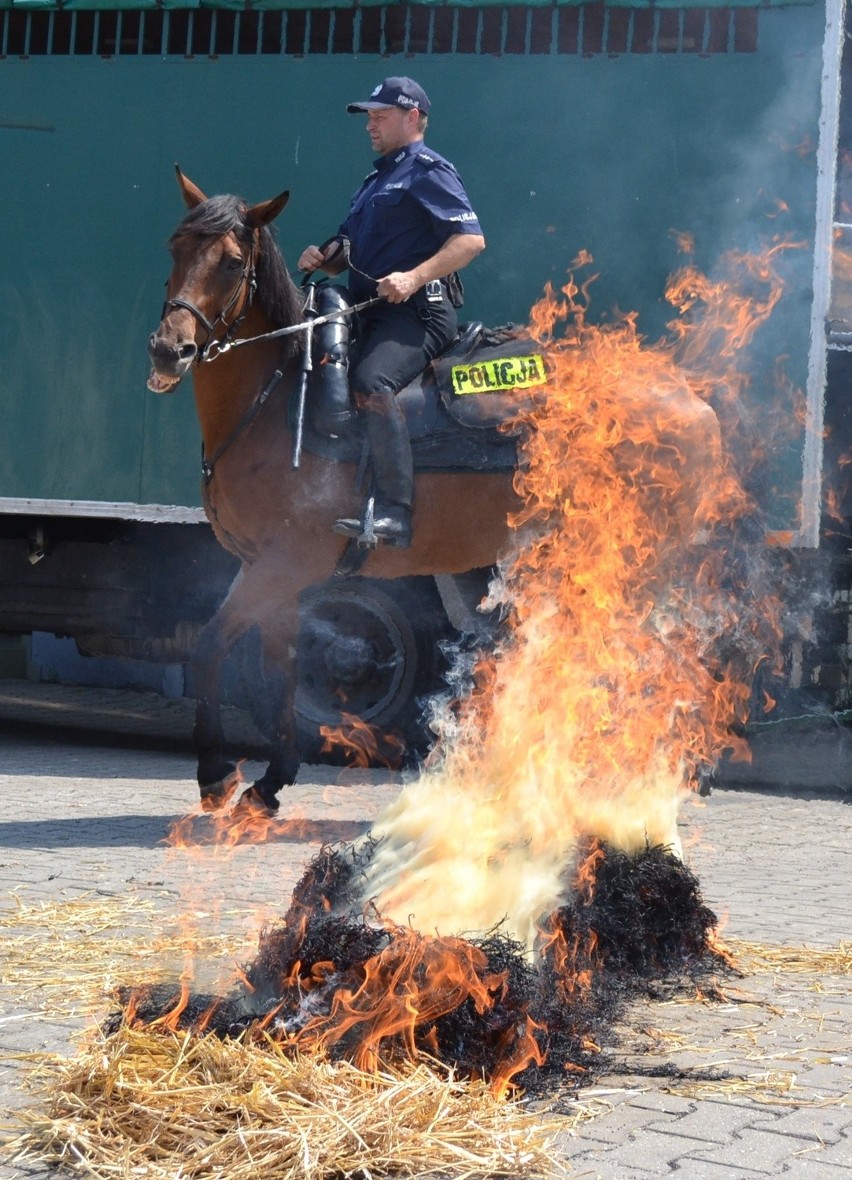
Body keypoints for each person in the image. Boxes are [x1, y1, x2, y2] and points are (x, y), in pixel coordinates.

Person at [297, 76, 485, 548]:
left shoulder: (428, 170)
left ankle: (396, 513)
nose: (370, 126)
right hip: (373, 311)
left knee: (370, 382)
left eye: (380, 116)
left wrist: (413, 277)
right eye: (369, 117)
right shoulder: (374, 180)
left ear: (413, 118)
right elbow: (348, 246)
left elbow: (470, 240)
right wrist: (324, 257)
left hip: (418, 314)